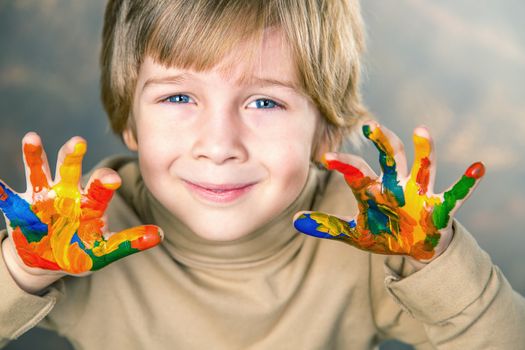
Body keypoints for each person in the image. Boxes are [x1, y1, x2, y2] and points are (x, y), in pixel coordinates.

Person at [0, 0, 524, 349]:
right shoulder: (78, 235)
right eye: (179, 96)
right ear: (130, 119)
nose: (220, 145)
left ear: (325, 131)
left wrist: (435, 263)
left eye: (265, 101)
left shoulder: (372, 241)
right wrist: (22, 272)